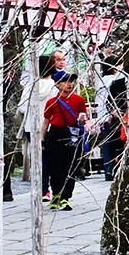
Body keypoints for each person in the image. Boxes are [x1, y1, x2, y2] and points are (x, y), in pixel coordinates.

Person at [41, 68, 88, 211]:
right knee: (55, 167)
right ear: (57, 84)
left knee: (70, 167)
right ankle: (56, 194)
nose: (69, 84)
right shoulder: (51, 102)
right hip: (56, 135)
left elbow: (83, 117)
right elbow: (46, 122)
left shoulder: (78, 100)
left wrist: (82, 121)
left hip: (72, 134)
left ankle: (66, 197)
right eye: (66, 81)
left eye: (71, 81)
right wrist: (42, 140)